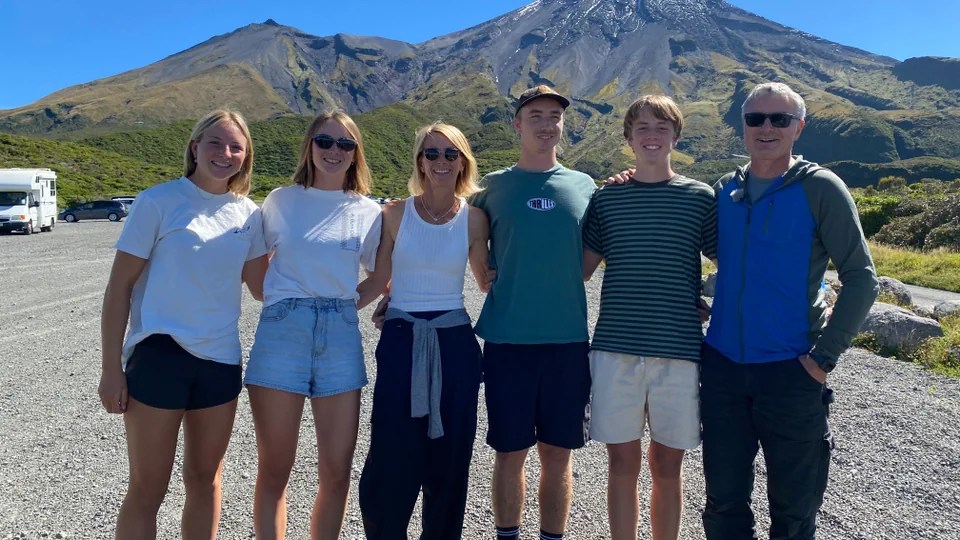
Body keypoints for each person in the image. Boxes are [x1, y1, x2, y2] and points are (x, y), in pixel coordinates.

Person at [700, 82, 878, 539]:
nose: (766, 128)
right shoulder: (726, 190)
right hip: (721, 369)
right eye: (756, 118)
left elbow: (861, 276)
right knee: (723, 504)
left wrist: (823, 360)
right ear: (742, 126)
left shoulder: (820, 188)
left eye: (779, 119)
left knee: (795, 511)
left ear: (799, 127)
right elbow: (687, 245)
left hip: (791, 372)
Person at [98, 109, 268, 540]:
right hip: (160, 354)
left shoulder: (249, 215)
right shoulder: (158, 201)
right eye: (215, 143)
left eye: (235, 147)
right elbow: (119, 288)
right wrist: (110, 369)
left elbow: (263, 288)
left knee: (205, 481)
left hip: (221, 361)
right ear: (194, 147)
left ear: (246, 157)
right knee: (147, 488)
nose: (224, 153)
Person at [582, 95, 717, 540]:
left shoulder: (701, 198)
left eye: (662, 126)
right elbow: (577, 270)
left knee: (666, 466)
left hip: (678, 351)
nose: (652, 135)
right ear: (628, 138)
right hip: (615, 350)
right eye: (642, 127)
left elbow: (735, 266)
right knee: (621, 465)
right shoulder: (607, 198)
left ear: (676, 136)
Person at [243, 110, 382, 540]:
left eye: (346, 144)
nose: (335, 152)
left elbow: (379, 275)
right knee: (275, 468)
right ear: (310, 146)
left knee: (337, 470)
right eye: (326, 142)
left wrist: (342, 306)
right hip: (283, 333)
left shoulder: (368, 211)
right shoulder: (281, 200)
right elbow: (255, 278)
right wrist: (291, 302)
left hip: (340, 336)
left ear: (356, 153)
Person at [469, 85, 597, 540]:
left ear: (563, 125)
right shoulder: (489, 188)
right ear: (517, 124)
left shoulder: (586, 187)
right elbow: (456, 236)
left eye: (555, 116)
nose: (547, 123)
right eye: (536, 114)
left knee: (558, 453)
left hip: (566, 341)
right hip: (507, 341)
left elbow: (595, 258)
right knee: (509, 451)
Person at [357, 122, 491, 539]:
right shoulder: (394, 214)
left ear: (463, 162)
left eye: (451, 154)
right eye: (431, 154)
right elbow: (378, 280)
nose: (441, 162)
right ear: (419, 161)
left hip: (455, 343)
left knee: (450, 461)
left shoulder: (475, 219)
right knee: (391, 456)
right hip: (402, 338)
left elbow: (486, 280)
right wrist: (321, 309)